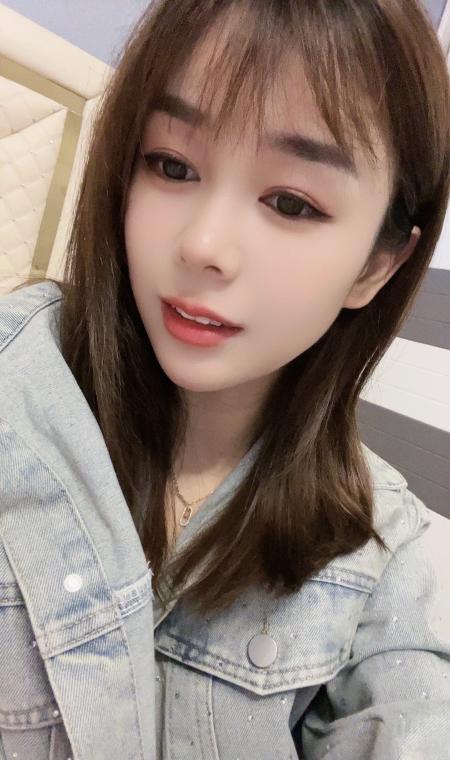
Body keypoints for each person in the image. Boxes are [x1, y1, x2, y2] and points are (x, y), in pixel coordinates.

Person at [0, 0, 449, 758]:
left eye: (291, 203)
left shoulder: (385, 552)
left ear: (376, 265)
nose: (203, 244)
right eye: (171, 165)